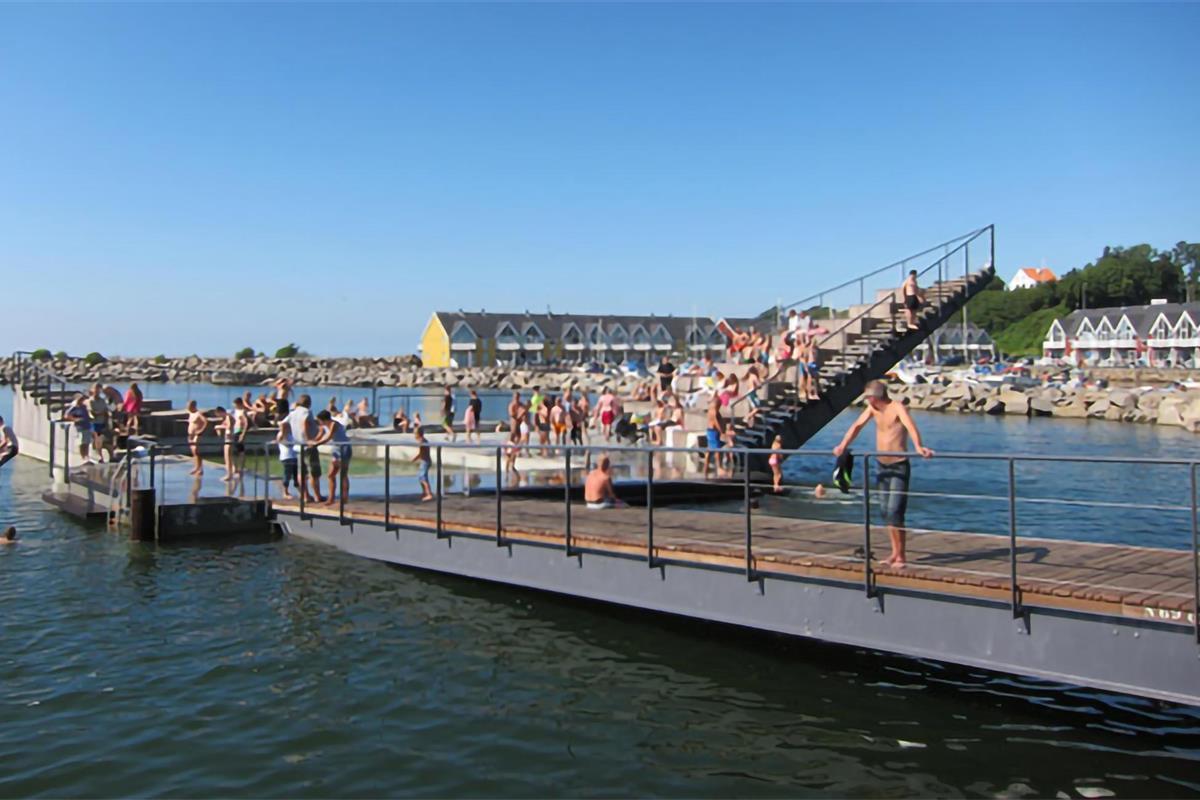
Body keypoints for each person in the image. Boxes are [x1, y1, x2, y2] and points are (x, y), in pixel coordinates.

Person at [832, 380, 934, 568]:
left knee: (895, 510)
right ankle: (894, 553)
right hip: (881, 465)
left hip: (898, 465)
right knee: (886, 511)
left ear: (875, 397)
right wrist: (842, 445)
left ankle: (901, 555)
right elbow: (857, 426)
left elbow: (911, 427)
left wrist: (918, 446)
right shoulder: (872, 409)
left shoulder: (897, 407)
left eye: (868, 397)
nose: (866, 400)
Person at [286, 394, 325, 503]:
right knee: (314, 472)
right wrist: (309, 439)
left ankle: (305, 495)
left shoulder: (293, 413)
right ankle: (317, 496)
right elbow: (304, 423)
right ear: (309, 403)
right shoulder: (306, 412)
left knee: (301, 472)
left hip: (298, 445)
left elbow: (283, 423)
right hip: (308, 446)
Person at [312, 410, 352, 507]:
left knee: (343, 474)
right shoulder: (323, 426)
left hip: (344, 448)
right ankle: (331, 498)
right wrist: (311, 442)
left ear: (324, 419)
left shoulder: (334, 424)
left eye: (319, 420)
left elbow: (329, 437)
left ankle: (345, 498)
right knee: (331, 475)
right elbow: (320, 435)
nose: (319, 422)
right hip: (335, 450)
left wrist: (317, 444)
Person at [87, 383, 114, 463]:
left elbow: (106, 411)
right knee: (98, 440)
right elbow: (92, 412)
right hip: (95, 423)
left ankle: (111, 456)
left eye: (99, 390)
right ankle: (100, 457)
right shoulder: (90, 401)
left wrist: (107, 418)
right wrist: (100, 413)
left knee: (106, 440)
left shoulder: (102, 401)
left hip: (103, 422)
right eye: (96, 389)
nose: (97, 391)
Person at [62, 393, 92, 465]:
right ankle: (83, 457)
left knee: (87, 442)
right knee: (82, 443)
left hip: (87, 426)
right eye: (80, 399)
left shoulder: (84, 407)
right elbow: (66, 416)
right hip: (79, 427)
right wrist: (75, 419)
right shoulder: (74, 407)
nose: (81, 400)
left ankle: (87, 456)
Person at [276, 417, 302, 500]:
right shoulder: (281, 434)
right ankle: (285, 492)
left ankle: (300, 492)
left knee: (295, 474)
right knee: (287, 475)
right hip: (286, 457)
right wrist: (283, 429)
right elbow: (281, 441)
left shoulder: (290, 435)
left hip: (293, 456)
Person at [702, 395, 725, 478]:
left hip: (711, 431)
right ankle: (719, 467)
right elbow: (716, 422)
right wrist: (721, 431)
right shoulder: (714, 411)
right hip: (713, 431)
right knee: (717, 449)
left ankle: (706, 467)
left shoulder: (712, 410)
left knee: (710, 449)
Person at [186, 400, 208, 475]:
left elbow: (205, 421)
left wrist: (201, 430)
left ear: (193, 406)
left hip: (197, 435)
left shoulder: (198, 414)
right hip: (190, 435)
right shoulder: (190, 413)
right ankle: (196, 467)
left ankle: (200, 468)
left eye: (189, 406)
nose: (188, 407)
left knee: (197, 452)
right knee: (193, 452)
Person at [413, 428, 434, 501]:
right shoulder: (423, 440)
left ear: (418, 434)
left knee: (423, 478)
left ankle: (429, 494)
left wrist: (415, 458)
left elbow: (421, 452)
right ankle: (425, 492)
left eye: (415, 433)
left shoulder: (422, 441)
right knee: (421, 478)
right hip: (424, 461)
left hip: (425, 461)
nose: (414, 435)